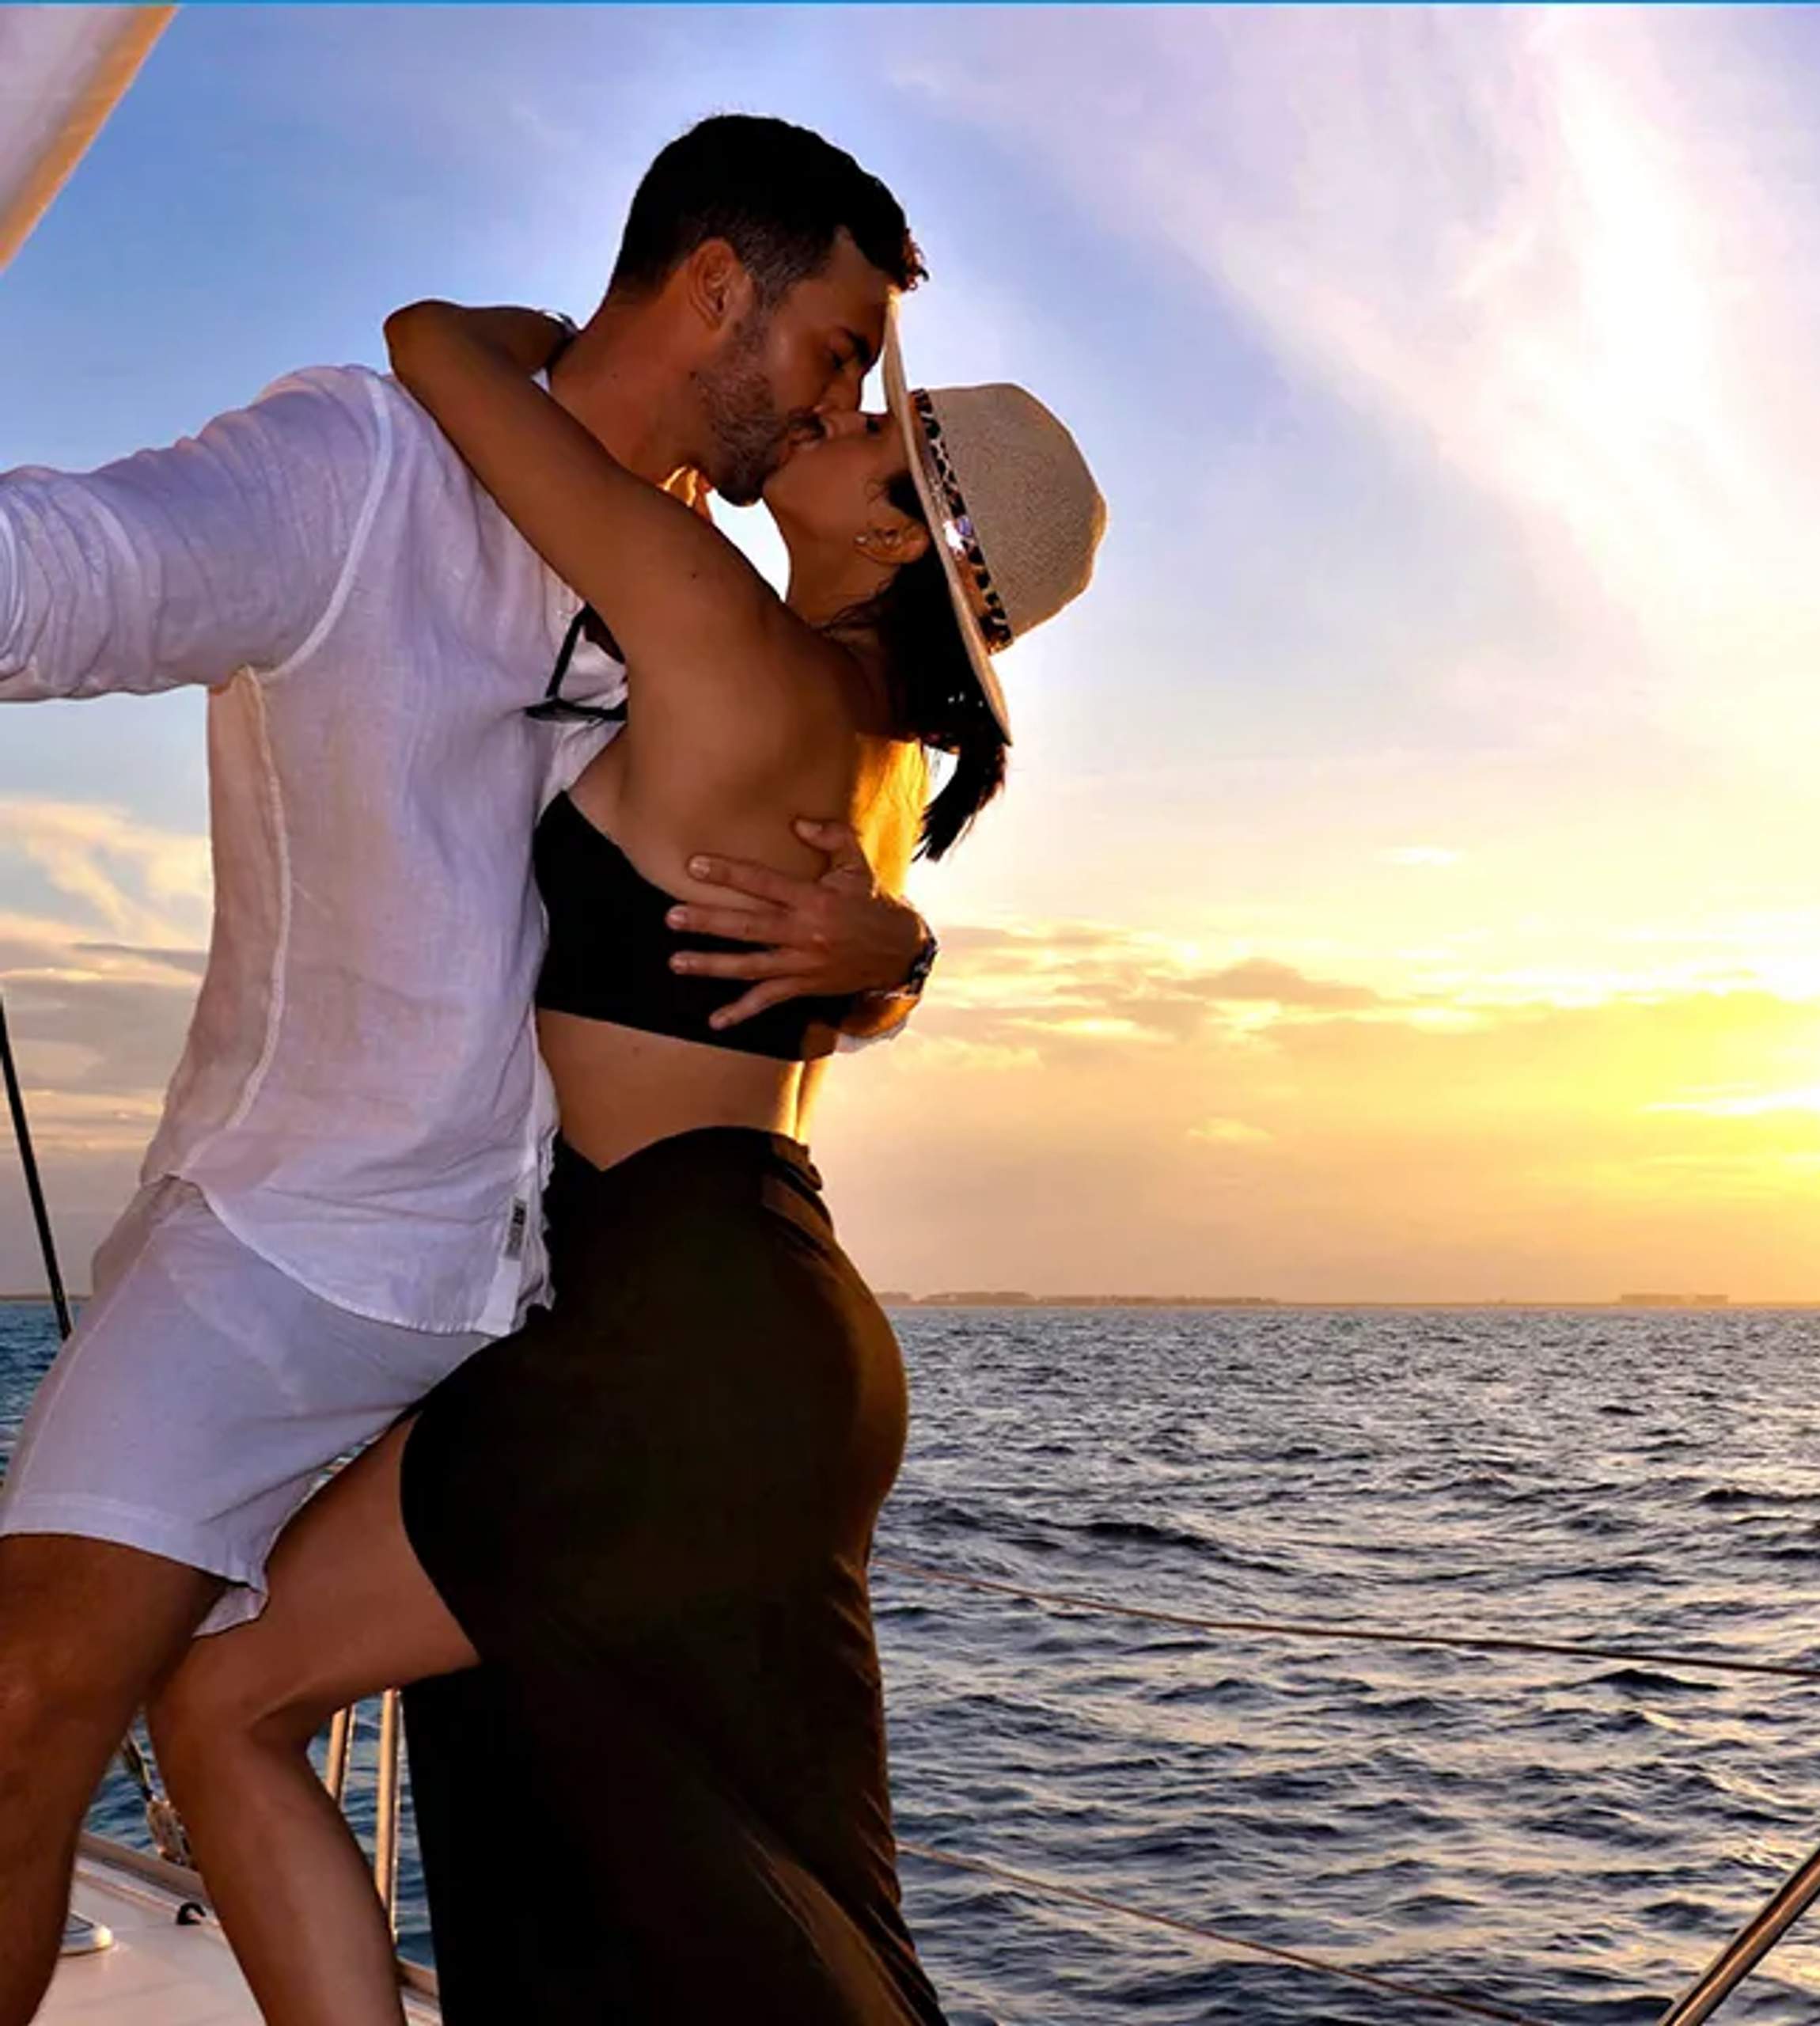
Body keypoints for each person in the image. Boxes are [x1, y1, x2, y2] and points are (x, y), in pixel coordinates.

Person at [0, 115, 941, 2021]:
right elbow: (82, 565)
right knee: (29, 1709)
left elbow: (822, 849)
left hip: (574, 1300)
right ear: (712, 289)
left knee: (673, 1866)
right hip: (305, 1254)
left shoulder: (700, 591)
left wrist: (892, 961)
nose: (852, 394)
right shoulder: (366, 464)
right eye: (839, 348)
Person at [142, 276, 1103, 2017]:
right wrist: (903, 963)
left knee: (225, 1699)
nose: (828, 415)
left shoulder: (723, 630)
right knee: (738, 1881)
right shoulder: (876, 753)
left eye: (872, 421)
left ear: (903, 531)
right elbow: (814, 963)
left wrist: (613, 326)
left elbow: (430, 343)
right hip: (767, 1326)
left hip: (667, 1325)